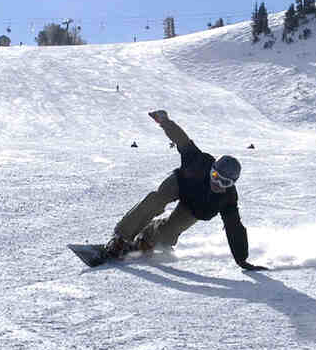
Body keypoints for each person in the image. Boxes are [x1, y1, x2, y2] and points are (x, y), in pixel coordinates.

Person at [104, 110, 267, 270]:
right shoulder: (199, 160)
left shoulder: (228, 199)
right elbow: (182, 140)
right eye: (215, 175)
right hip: (181, 184)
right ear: (211, 168)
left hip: (196, 208)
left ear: (232, 185)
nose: (217, 183)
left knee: (168, 234)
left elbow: (234, 228)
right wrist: (164, 121)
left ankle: (146, 240)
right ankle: (121, 238)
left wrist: (241, 260)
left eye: (224, 182)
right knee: (156, 200)